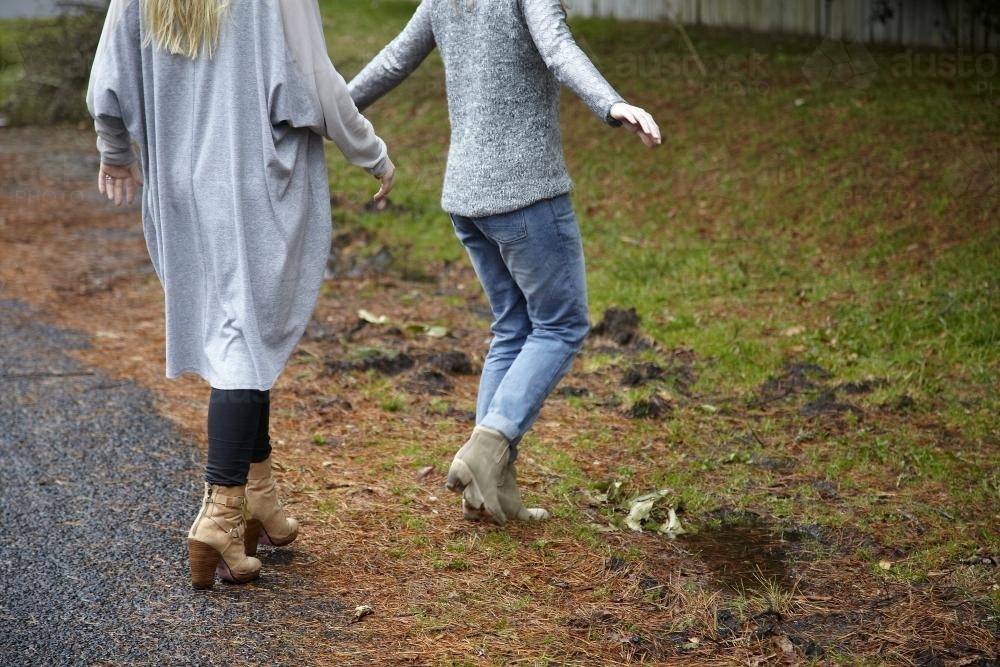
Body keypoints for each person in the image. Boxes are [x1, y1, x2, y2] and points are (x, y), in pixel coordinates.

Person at [87, 0, 396, 589]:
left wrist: (115, 152)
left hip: (178, 187)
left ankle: (259, 495)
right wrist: (370, 150)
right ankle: (220, 511)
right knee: (240, 343)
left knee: (241, 336)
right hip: (252, 183)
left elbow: (108, 82)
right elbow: (313, 83)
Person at [348, 0, 661, 526]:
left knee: (513, 328)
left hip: (467, 198)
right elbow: (558, 50)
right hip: (526, 196)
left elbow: (392, 61)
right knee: (561, 325)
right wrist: (612, 105)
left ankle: (489, 492)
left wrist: (330, 112)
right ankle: (488, 447)